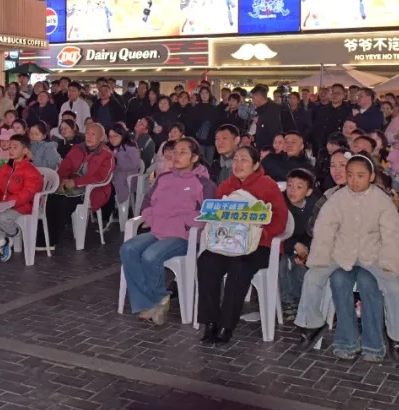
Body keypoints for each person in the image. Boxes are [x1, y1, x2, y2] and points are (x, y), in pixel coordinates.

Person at [307, 154, 399, 361]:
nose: (354, 180)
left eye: (360, 175)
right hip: (343, 256)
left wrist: (388, 263)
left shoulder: (382, 199)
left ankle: (385, 341)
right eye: (350, 175)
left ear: (371, 177)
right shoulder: (336, 198)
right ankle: (342, 339)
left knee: (382, 285)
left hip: (373, 257)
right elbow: (324, 229)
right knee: (336, 279)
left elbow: (393, 233)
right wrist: (321, 257)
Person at [197, 146, 288, 344]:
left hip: (259, 246)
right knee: (206, 261)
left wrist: (258, 234)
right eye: (236, 159)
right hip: (228, 244)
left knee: (240, 266)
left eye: (244, 160)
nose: (238, 164)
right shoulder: (225, 187)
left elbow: (280, 221)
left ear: (256, 165)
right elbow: (215, 219)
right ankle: (210, 321)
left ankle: (226, 325)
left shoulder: (268, 186)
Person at [121, 137, 216, 324]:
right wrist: (151, 217)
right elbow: (147, 201)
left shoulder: (204, 183)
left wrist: (185, 222)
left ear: (195, 158)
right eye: (175, 151)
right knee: (128, 249)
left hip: (183, 236)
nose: (176, 156)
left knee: (150, 256)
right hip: (157, 230)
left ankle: (156, 300)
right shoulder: (163, 178)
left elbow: (208, 215)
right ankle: (152, 300)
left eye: (183, 152)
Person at [48, 123, 115, 241]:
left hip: (95, 190)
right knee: (52, 198)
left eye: (93, 134)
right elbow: (65, 166)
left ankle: (52, 237)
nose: (88, 136)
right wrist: (61, 181)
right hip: (71, 185)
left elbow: (100, 178)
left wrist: (75, 182)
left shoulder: (107, 154)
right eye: (87, 133)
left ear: (101, 138)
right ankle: (47, 234)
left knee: (66, 203)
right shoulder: (77, 148)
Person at [0, 134, 44, 263]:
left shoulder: (31, 171)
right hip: (5, 204)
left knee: (1, 217)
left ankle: (15, 233)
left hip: (23, 206)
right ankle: (2, 241)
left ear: (25, 151)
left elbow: (27, 194)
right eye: (10, 147)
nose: (11, 150)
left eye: (15, 147)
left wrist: (7, 203)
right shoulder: (5, 168)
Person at [278, 168, 316, 322]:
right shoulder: (279, 203)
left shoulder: (313, 206)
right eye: (290, 185)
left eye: (299, 187)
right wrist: (293, 246)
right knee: (283, 265)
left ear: (308, 192)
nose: (292, 191)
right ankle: (286, 301)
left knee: (301, 266)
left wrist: (304, 250)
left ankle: (300, 300)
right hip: (280, 247)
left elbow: (311, 232)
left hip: (302, 247)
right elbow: (275, 233)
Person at [109, 124, 141, 209]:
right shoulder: (115, 148)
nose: (113, 139)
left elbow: (135, 164)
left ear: (122, 135)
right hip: (117, 176)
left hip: (127, 179)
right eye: (110, 137)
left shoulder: (130, 147)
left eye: (116, 136)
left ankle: (117, 211)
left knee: (109, 188)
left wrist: (116, 164)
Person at [250, 85, 284, 153]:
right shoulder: (261, 111)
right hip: (262, 150)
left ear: (258, 96)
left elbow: (274, 134)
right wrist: (255, 137)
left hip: (270, 152)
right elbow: (264, 130)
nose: (252, 101)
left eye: (253, 98)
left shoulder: (273, 110)